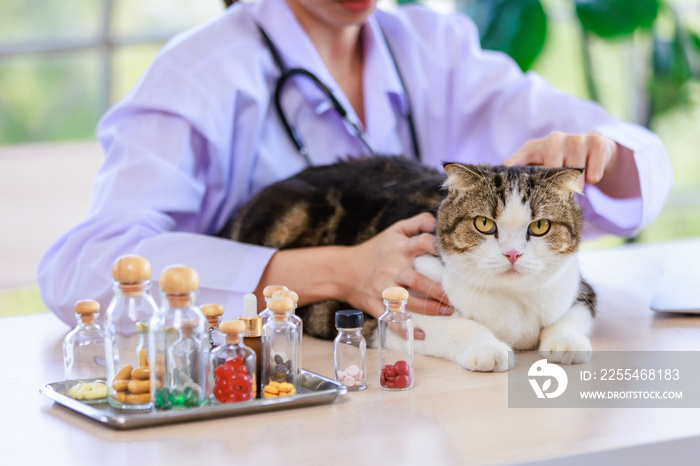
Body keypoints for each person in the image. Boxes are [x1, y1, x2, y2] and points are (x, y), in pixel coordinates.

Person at [38, 0, 673, 333]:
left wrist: (602, 156)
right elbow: (80, 269)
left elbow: (629, 151)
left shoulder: (429, 44)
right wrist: (338, 272)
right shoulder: (201, 72)